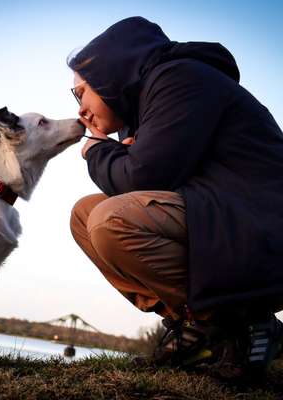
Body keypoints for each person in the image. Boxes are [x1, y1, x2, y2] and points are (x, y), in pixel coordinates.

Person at [67, 16, 283, 374]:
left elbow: (141, 177)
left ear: (110, 73)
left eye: (81, 91)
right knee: (85, 215)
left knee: (111, 221)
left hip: (261, 230)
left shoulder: (178, 79)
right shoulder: (147, 106)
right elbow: (147, 176)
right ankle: (198, 326)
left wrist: (98, 151)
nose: (79, 108)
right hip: (221, 221)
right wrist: (125, 153)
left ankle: (243, 320)